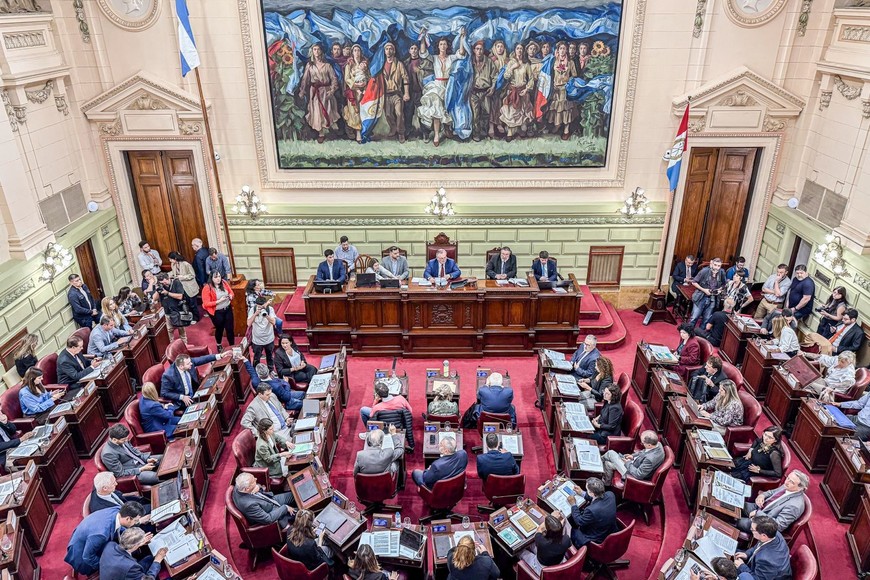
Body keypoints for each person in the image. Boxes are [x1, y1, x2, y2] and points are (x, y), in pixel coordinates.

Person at [64, 501, 146, 575]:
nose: (136, 523)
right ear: (128, 518)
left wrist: (135, 536)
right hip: (81, 558)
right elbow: (87, 557)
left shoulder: (118, 510)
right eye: (136, 521)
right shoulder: (101, 534)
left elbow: (118, 527)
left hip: (90, 541)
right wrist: (106, 566)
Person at [417, 29, 468, 147]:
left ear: (447, 46)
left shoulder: (451, 58)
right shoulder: (434, 58)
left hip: (449, 86)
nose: (443, 46)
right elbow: (423, 53)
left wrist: (461, 37)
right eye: (441, 44)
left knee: (448, 109)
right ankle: (436, 134)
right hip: (437, 86)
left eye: (445, 44)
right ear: (438, 46)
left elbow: (461, 53)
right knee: (436, 110)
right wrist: (423, 37)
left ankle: (447, 130)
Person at [735, 470, 809, 533]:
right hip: (759, 507)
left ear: (800, 488)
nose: (786, 482)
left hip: (763, 523)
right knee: (735, 503)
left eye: (792, 482)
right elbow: (771, 492)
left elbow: (778, 526)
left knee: (735, 521)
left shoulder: (795, 506)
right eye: (788, 478)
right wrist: (762, 496)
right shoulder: (787, 486)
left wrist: (758, 514)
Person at [298, 43, 340, 143]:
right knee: (316, 111)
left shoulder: (327, 65)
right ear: (312, 51)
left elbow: (334, 79)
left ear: (321, 51)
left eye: (318, 49)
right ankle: (321, 133)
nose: (316, 51)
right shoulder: (310, 65)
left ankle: (329, 130)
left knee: (328, 110)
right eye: (314, 49)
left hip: (325, 91)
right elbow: (305, 79)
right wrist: (302, 91)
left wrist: (332, 90)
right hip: (314, 92)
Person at [733, 516, 792, 580]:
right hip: (761, 568)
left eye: (752, 529)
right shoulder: (773, 534)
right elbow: (758, 546)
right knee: (732, 550)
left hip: (762, 575)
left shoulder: (766, 560)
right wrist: (746, 554)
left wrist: (741, 566)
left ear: (763, 535)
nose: (750, 529)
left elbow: (757, 578)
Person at [232, 472, 297, 529]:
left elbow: (257, 488)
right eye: (253, 481)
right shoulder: (249, 505)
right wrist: (285, 508)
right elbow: (268, 519)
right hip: (271, 511)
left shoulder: (238, 486)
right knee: (301, 512)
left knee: (295, 493)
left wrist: (258, 487)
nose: (256, 479)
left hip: (270, 500)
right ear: (247, 488)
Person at [160, 351, 226, 408]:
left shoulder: (189, 362)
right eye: (188, 364)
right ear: (181, 366)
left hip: (195, 391)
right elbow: (164, 393)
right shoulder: (168, 376)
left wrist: (220, 356)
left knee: (216, 393)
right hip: (185, 400)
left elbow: (203, 359)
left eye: (190, 362)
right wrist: (182, 397)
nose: (191, 364)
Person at [566, 477, 617, 548]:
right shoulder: (610, 494)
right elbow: (597, 497)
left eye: (587, 490)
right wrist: (582, 493)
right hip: (609, 529)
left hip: (596, 537)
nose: (586, 491)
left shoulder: (591, 510)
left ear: (592, 493)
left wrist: (573, 504)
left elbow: (579, 521)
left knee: (571, 529)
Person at [99, 527, 166, 580]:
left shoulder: (110, 545)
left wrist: (139, 543)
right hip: (125, 572)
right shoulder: (131, 567)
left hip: (114, 574)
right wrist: (157, 560)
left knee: (149, 558)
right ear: (134, 546)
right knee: (154, 562)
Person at [601, 430, 665, 485]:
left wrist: (628, 463)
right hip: (634, 464)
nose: (641, 443)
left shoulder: (650, 459)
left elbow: (638, 474)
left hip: (631, 473)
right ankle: (606, 483)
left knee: (610, 453)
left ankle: (597, 463)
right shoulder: (657, 444)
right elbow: (644, 451)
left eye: (642, 443)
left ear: (649, 445)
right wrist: (633, 456)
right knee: (608, 464)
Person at [500, 42, 535, 142]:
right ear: (515, 50)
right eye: (517, 48)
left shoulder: (526, 64)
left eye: (521, 49)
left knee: (522, 113)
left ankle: (521, 129)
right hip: (513, 91)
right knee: (511, 112)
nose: (519, 50)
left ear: (523, 51)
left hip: (523, 91)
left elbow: (531, 78)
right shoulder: (511, 62)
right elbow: (506, 76)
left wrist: (527, 89)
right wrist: (512, 67)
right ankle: (510, 132)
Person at [379, 42, 411, 143]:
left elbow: (405, 78)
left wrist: (406, 93)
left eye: (390, 49)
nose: (389, 51)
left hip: (397, 94)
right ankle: (393, 128)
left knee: (399, 113)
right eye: (387, 49)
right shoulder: (381, 64)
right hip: (386, 94)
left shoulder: (399, 64)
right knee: (388, 114)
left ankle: (401, 133)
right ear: (384, 51)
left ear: (394, 50)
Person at [548, 42, 579, 140]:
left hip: (565, 89)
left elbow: (574, 75)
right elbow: (550, 74)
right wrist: (553, 85)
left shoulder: (570, 62)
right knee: (557, 109)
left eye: (564, 49)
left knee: (566, 110)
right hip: (556, 89)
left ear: (566, 50)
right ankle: (557, 126)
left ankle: (566, 130)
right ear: (557, 50)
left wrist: (569, 83)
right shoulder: (554, 61)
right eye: (560, 48)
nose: (562, 50)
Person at [469, 40, 497, 141]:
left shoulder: (489, 62)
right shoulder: (470, 62)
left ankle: (484, 131)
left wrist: (493, 87)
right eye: (477, 49)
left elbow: (495, 76)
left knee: (486, 112)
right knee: (475, 114)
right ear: (474, 50)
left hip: (486, 91)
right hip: (474, 92)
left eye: (481, 49)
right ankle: (476, 133)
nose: (479, 51)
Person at [201, 270, 235, 351]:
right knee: (220, 328)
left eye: (219, 276)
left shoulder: (224, 282)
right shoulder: (207, 288)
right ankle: (218, 344)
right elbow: (206, 304)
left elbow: (231, 292)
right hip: (217, 311)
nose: (218, 279)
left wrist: (231, 296)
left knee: (230, 328)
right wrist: (219, 301)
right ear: (211, 278)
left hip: (227, 308)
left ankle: (232, 346)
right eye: (216, 277)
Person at [343, 44, 370, 143]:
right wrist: (355, 85)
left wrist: (365, 83)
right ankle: (357, 132)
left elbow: (368, 76)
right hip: (353, 91)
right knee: (355, 111)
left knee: (363, 111)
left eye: (358, 50)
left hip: (364, 90)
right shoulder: (349, 65)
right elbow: (346, 79)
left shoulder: (365, 64)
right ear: (352, 52)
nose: (357, 53)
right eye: (355, 51)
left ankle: (364, 131)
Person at [689, 258, 726, 327]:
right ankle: (688, 332)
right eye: (715, 265)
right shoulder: (704, 271)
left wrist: (719, 290)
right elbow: (694, 282)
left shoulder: (722, 272)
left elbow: (724, 284)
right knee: (694, 317)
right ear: (711, 263)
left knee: (706, 318)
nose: (716, 267)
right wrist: (704, 290)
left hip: (713, 298)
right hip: (701, 297)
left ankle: (700, 333)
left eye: (719, 266)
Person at [156, 272, 189, 343]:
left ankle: (185, 345)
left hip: (178, 311)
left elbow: (180, 296)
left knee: (181, 329)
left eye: (165, 282)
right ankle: (172, 347)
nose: (164, 284)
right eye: (162, 283)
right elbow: (154, 298)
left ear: (168, 278)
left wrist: (167, 293)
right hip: (167, 311)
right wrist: (157, 290)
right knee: (169, 331)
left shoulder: (176, 283)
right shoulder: (161, 286)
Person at [248, 295, 277, 369]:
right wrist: (255, 314)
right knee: (256, 358)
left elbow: (274, 322)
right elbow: (248, 324)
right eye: (259, 306)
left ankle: (270, 370)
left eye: (262, 306)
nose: (260, 307)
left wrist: (266, 316)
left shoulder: (270, 309)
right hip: (257, 340)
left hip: (269, 338)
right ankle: (256, 371)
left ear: (265, 303)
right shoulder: (252, 310)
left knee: (270, 356)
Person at [169, 251, 200, 321]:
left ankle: (196, 318)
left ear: (175, 258)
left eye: (171, 259)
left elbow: (192, 275)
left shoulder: (186, 264)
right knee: (187, 303)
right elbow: (173, 273)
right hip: (182, 287)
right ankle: (190, 317)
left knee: (193, 304)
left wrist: (182, 277)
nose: (170, 261)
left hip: (190, 287)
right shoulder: (173, 265)